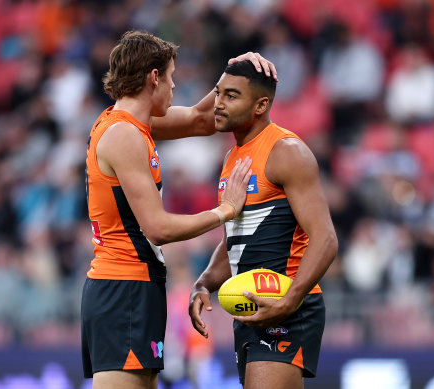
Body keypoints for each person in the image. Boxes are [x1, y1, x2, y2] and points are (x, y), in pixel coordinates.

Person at [82, 30, 277, 389]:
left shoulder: (132, 124)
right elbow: (157, 228)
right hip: (124, 285)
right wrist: (225, 211)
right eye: (171, 78)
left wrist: (236, 68)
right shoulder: (124, 135)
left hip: (135, 286)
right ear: (154, 78)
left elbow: (203, 120)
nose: (174, 88)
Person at [188, 60, 338, 389]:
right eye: (217, 93)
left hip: (286, 304)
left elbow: (325, 238)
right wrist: (203, 283)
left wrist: (290, 299)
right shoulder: (232, 158)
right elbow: (238, 239)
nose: (218, 103)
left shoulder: (286, 152)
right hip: (253, 306)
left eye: (231, 96)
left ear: (260, 105)